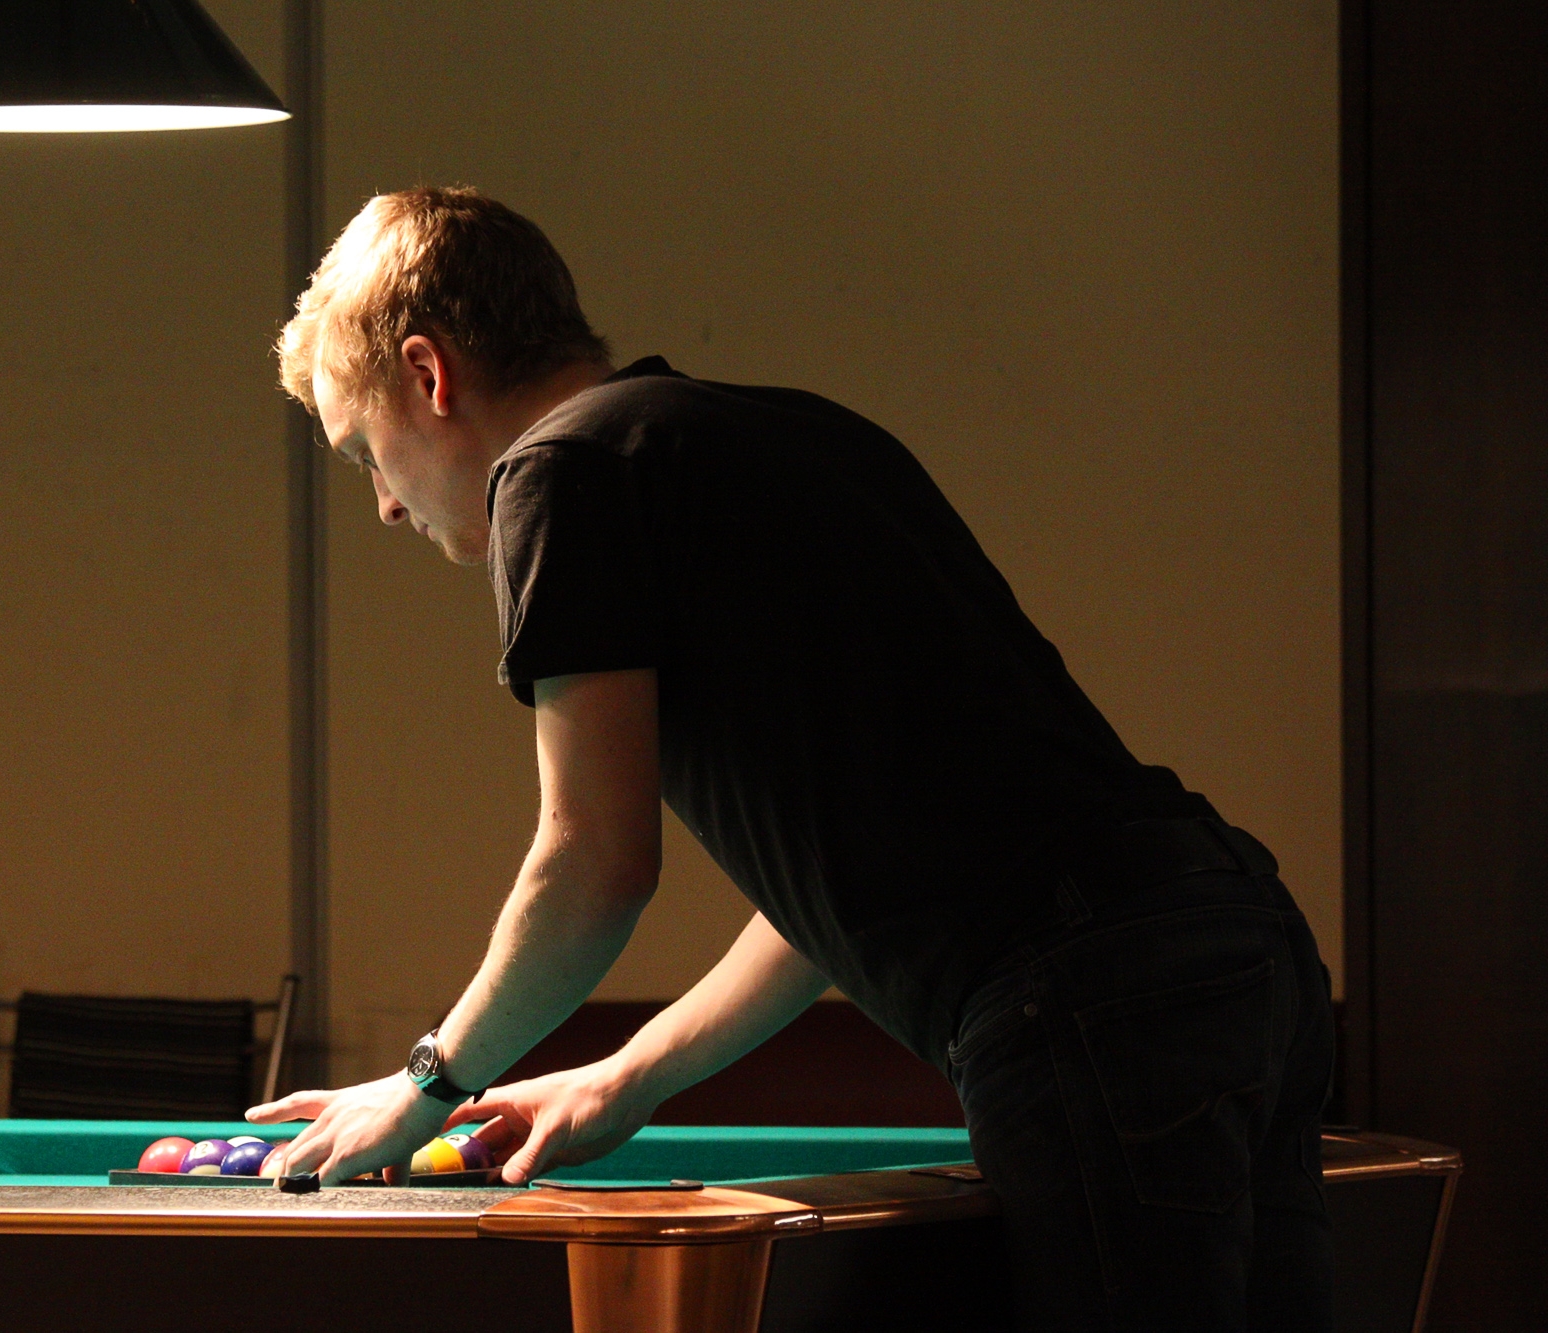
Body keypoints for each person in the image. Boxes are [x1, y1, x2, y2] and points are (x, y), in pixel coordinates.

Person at [245, 186, 1335, 1330]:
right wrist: (625, 1075)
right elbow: (833, 893)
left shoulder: (555, 470)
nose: (382, 504)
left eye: (364, 452)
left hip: (1085, 993)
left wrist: (427, 1081)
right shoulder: (787, 433)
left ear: (429, 375)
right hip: (1235, 938)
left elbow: (594, 863)